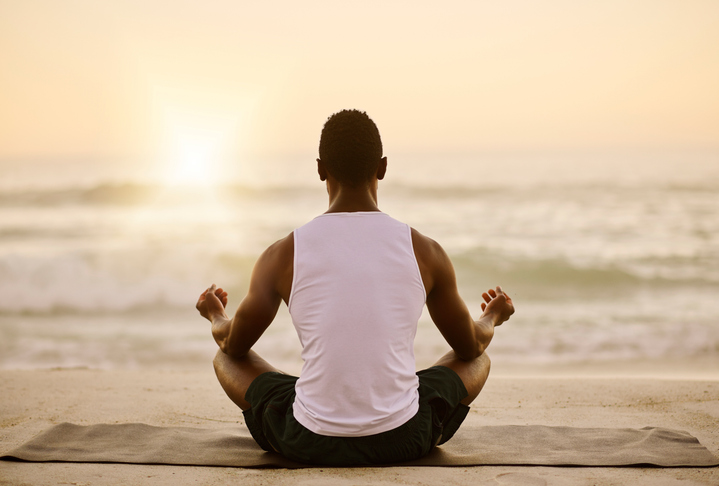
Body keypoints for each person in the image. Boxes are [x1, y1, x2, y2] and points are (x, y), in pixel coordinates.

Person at [195, 109, 514, 465]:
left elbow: (232, 343)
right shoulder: (426, 251)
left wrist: (215, 313)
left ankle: (318, 403)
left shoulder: (281, 254)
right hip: (403, 438)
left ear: (320, 169)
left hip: (308, 441)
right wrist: (491, 316)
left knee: (224, 358)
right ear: (382, 167)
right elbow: (470, 348)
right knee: (478, 360)